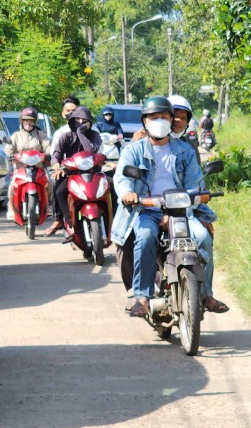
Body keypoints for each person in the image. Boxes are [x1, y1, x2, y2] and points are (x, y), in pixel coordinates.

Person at [111, 96, 229, 316]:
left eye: (164, 116)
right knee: (145, 237)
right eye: (153, 117)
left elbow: (195, 183)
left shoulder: (184, 150)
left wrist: (197, 197)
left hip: (181, 211)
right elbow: (122, 178)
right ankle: (142, 297)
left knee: (203, 237)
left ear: (171, 119)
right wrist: (128, 193)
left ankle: (206, 294)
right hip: (147, 211)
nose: (159, 121)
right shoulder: (133, 151)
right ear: (144, 121)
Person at [48, 106, 101, 240]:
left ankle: (115, 222)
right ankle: (65, 221)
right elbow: (57, 154)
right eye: (77, 119)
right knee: (59, 190)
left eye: (84, 120)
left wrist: (81, 133)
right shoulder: (65, 136)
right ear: (72, 120)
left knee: (111, 185)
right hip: (72, 174)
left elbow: (91, 150)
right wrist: (55, 164)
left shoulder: (94, 135)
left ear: (90, 122)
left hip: (93, 174)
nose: (81, 122)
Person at [4, 106, 52, 220]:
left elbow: (48, 148)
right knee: (12, 185)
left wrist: (48, 154)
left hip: (38, 167)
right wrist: (9, 155)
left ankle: (47, 206)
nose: (28, 123)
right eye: (25, 120)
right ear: (21, 121)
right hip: (20, 168)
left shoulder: (41, 135)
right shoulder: (16, 136)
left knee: (49, 183)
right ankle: (11, 208)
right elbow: (8, 149)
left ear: (35, 122)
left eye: (31, 120)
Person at [48, 96, 81, 227]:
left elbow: (100, 152)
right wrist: (57, 166)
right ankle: (60, 219)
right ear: (63, 114)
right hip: (68, 172)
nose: (71, 114)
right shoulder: (61, 133)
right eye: (68, 111)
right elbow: (56, 154)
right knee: (56, 184)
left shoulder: (92, 130)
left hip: (90, 170)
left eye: (74, 111)